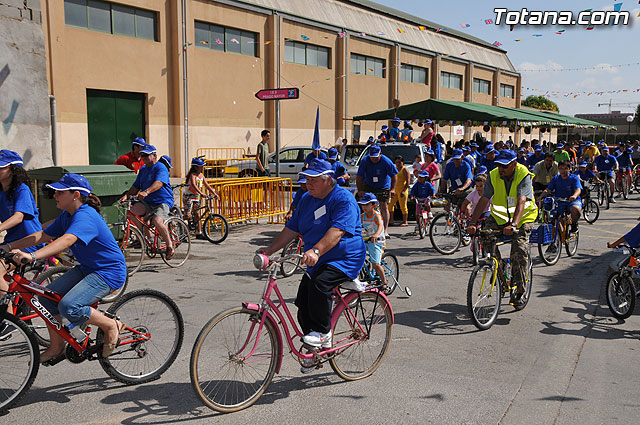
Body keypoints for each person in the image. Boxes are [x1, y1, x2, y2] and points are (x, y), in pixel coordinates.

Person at [1, 173, 127, 362]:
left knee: (69, 306)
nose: (55, 196)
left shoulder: (86, 216)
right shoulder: (67, 216)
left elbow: (67, 240)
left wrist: (32, 256)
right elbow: (42, 236)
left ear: (75, 195)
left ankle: (111, 325)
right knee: (44, 299)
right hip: (87, 268)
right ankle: (57, 346)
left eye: (60, 192)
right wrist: (9, 246)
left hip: (108, 272)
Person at [258, 159, 365, 370]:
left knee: (320, 284)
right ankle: (313, 350)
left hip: (344, 257)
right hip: (317, 259)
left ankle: (324, 332)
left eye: (313, 180)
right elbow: (291, 229)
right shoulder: (307, 199)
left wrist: (315, 250)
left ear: (328, 179)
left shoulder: (342, 199)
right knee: (303, 305)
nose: (308, 183)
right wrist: (269, 251)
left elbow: (338, 231)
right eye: (307, 179)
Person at [466, 150, 538, 307]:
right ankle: (500, 270)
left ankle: (520, 291)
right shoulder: (493, 175)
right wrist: (472, 223)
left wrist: (513, 224)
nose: (501, 169)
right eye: (499, 165)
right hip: (499, 218)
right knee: (485, 237)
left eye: (504, 166)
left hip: (522, 217)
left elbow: (521, 201)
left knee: (518, 249)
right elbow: (484, 199)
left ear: (513, 164)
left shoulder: (522, 174)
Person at [0, 150, 43, 315]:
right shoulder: (1, 191)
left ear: (12, 170)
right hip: (11, 241)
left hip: (29, 242)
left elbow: (18, 217)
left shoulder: (21, 189)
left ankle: (8, 318)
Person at [120, 144, 175, 259]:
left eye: (146, 155)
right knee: (131, 212)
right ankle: (144, 237)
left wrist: (146, 192)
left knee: (157, 221)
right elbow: (135, 186)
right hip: (148, 202)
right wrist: (126, 195)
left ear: (154, 156)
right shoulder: (143, 169)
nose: (143, 158)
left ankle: (170, 245)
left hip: (162, 201)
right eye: (142, 155)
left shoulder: (161, 167)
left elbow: (159, 183)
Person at [356, 144, 398, 237]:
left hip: (383, 185)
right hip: (369, 184)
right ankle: (365, 227)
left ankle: (385, 229)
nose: (373, 159)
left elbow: (394, 175)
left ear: (380, 154)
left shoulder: (386, 161)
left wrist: (393, 189)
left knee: (384, 205)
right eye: (371, 157)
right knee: (365, 205)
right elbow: (359, 177)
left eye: (375, 157)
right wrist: (360, 190)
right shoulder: (365, 161)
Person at [541, 160, 582, 234]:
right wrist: (541, 196)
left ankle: (574, 224)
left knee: (576, 209)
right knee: (551, 219)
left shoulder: (574, 178)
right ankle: (553, 241)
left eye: (565, 168)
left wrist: (574, 196)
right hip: (558, 201)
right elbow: (548, 190)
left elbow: (578, 189)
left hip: (571, 201)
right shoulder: (556, 178)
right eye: (560, 168)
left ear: (570, 169)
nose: (563, 170)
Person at [183, 157, 220, 239]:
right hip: (188, 197)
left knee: (197, 214)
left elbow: (207, 185)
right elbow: (193, 184)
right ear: (196, 167)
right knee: (187, 215)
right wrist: (201, 193)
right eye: (201, 166)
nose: (203, 167)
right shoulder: (192, 175)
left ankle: (199, 233)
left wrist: (214, 193)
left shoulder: (201, 175)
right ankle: (184, 234)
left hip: (196, 197)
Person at [358, 193, 386, 286]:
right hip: (367, 239)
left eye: (366, 204)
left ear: (373, 205)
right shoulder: (362, 216)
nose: (364, 207)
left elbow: (381, 225)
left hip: (377, 241)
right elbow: (357, 226)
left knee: (376, 265)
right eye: (362, 204)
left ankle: (384, 283)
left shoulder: (376, 215)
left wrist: (376, 234)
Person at [388, 156, 410, 227]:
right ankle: (391, 220)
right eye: (396, 162)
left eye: (399, 162)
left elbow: (408, 181)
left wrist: (404, 190)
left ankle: (405, 221)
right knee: (390, 205)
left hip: (402, 190)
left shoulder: (405, 169)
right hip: (395, 190)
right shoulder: (394, 169)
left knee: (403, 206)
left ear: (402, 162)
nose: (398, 164)